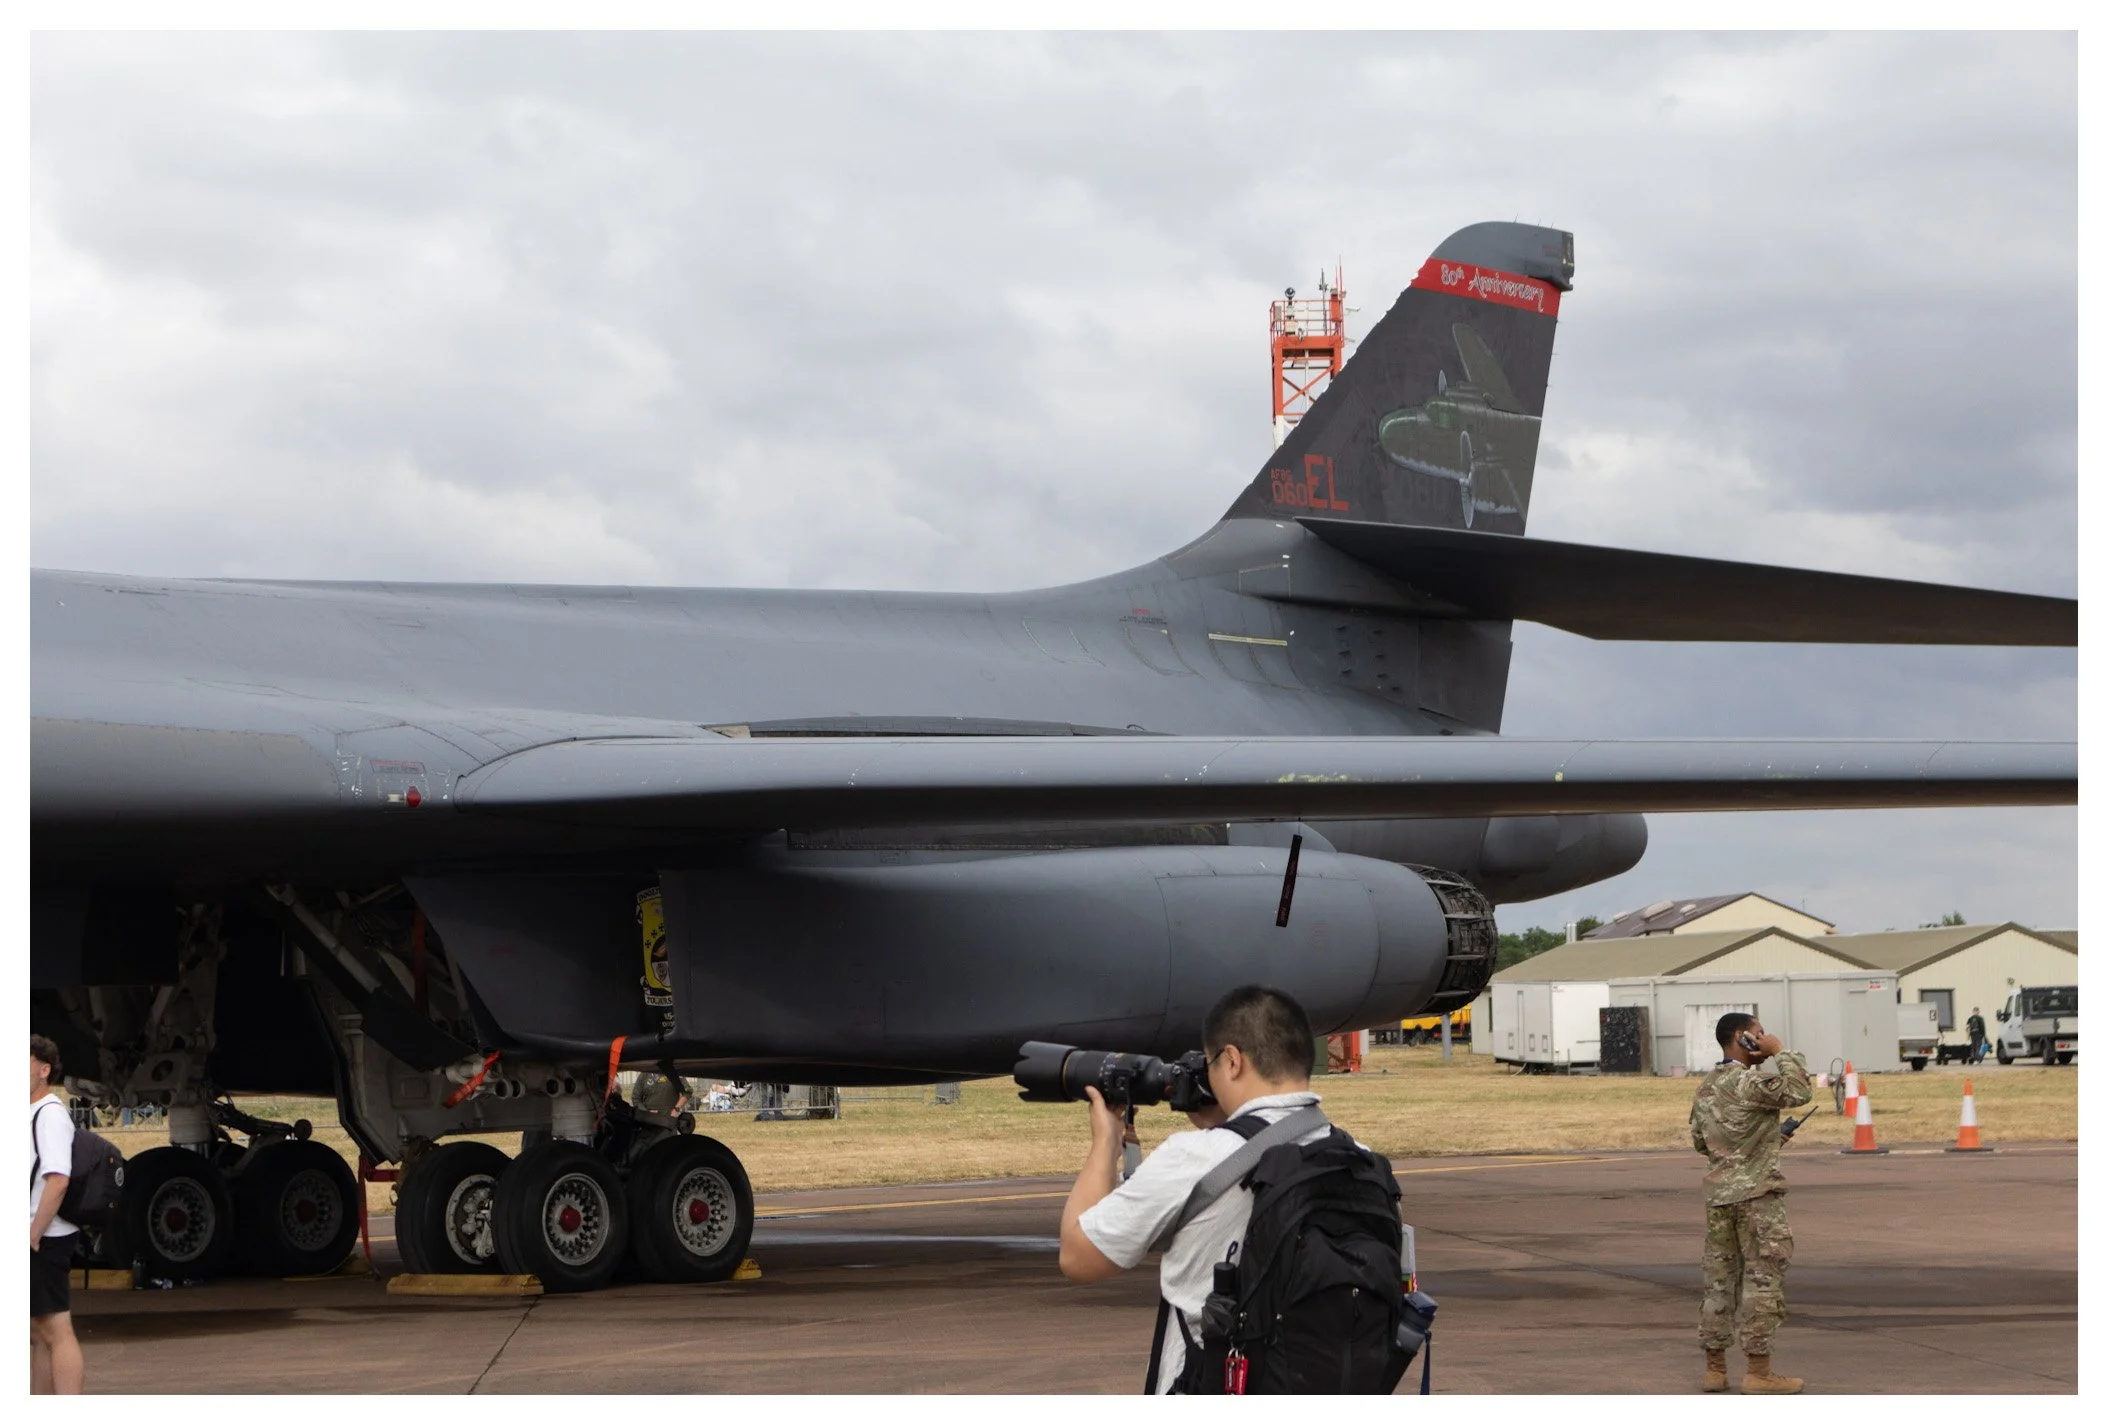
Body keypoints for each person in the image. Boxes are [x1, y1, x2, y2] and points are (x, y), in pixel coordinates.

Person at [1056, 984, 1335, 1393]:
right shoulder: (1359, 1160)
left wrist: (1105, 1143)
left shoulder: (1194, 1158)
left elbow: (1080, 1257)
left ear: (1232, 1060)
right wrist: (1229, 1127)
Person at [1689, 1013, 1812, 1395]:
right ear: (1742, 1038)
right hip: (1757, 1197)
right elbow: (1800, 1090)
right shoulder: (1752, 1081)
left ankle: (1715, 1368)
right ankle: (1759, 1371)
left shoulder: (1707, 1086)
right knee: (1763, 1281)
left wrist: (1765, 1139)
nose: (1763, 1039)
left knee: (1719, 1282)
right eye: (1758, 1034)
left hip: (1720, 1198)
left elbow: (1701, 1141)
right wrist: (1779, 1051)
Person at [30, 1034, 86, 1395]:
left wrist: (33, 1233)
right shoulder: (31, 1112)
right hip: (37, 1234)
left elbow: (58, 1179)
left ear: (44, 1069)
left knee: (55, 1329)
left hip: (45, 1237)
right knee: (37, 1330)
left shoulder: (50, 1114)